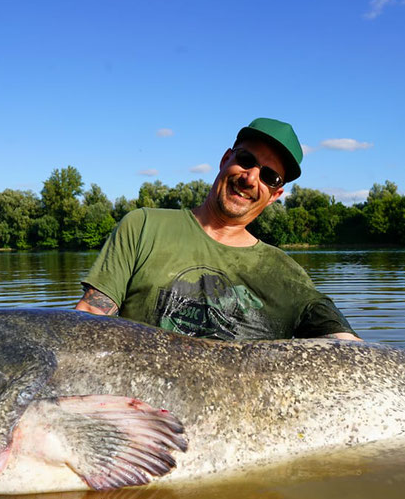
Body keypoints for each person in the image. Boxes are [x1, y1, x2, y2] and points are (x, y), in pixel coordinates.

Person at [75, 117, 361, 342]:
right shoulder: (143, 226)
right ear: (226, 159)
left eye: (269, 176)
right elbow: (86, 326)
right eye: (246, 160)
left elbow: (349, 350)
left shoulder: (287, 275)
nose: (250, 178)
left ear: (275, 195)